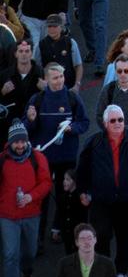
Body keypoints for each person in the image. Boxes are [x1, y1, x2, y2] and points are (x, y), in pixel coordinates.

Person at [76, 105, 128, 277]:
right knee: (101, 236)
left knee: (125, 238)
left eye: (121, 120)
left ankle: (121, 272)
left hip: (127, 200)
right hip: (101, 201)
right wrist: (82, 191)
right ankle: (105, 270)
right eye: (113, 120)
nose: (118, 123)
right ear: (105, 124)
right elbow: (82, 169)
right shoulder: (93, 142)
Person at [24, 62, 90, 249]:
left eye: (61, 76)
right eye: (55, 78)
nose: (59, 81)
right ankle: (38, 238)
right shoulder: (37, 100)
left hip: (67, 157)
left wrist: (72, 128)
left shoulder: (72, 98)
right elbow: (26, 128)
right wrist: (30, 119)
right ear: (46, 80)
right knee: (42, 197)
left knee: (65, 196)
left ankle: (59, 229)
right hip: (43, 159)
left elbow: (84, 122)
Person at [0, 119, 52, 277]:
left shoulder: (38, 158)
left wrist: (31, 197)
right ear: (10, 142)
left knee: (30, 253)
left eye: (23, 141)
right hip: (7, 216)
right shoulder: (1, 160)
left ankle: (27, 272)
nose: (20, 145)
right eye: (16, 142)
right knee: (10, 256)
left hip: (31, 214)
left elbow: (46, 183)